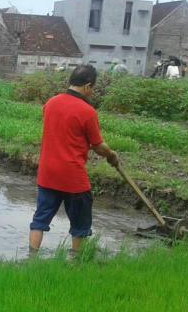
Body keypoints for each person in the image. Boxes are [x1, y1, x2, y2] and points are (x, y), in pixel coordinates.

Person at [29, 65, 120, 254]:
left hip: (47, 173)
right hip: (72, 177)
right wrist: (111, 155)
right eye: (93, 88)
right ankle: (75, 261)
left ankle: (31, 256)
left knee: (40, 220)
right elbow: (98, 145)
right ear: (87, 86)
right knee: (80, 223)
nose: (92, 92)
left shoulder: (51, 103)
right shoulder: (87, 111)